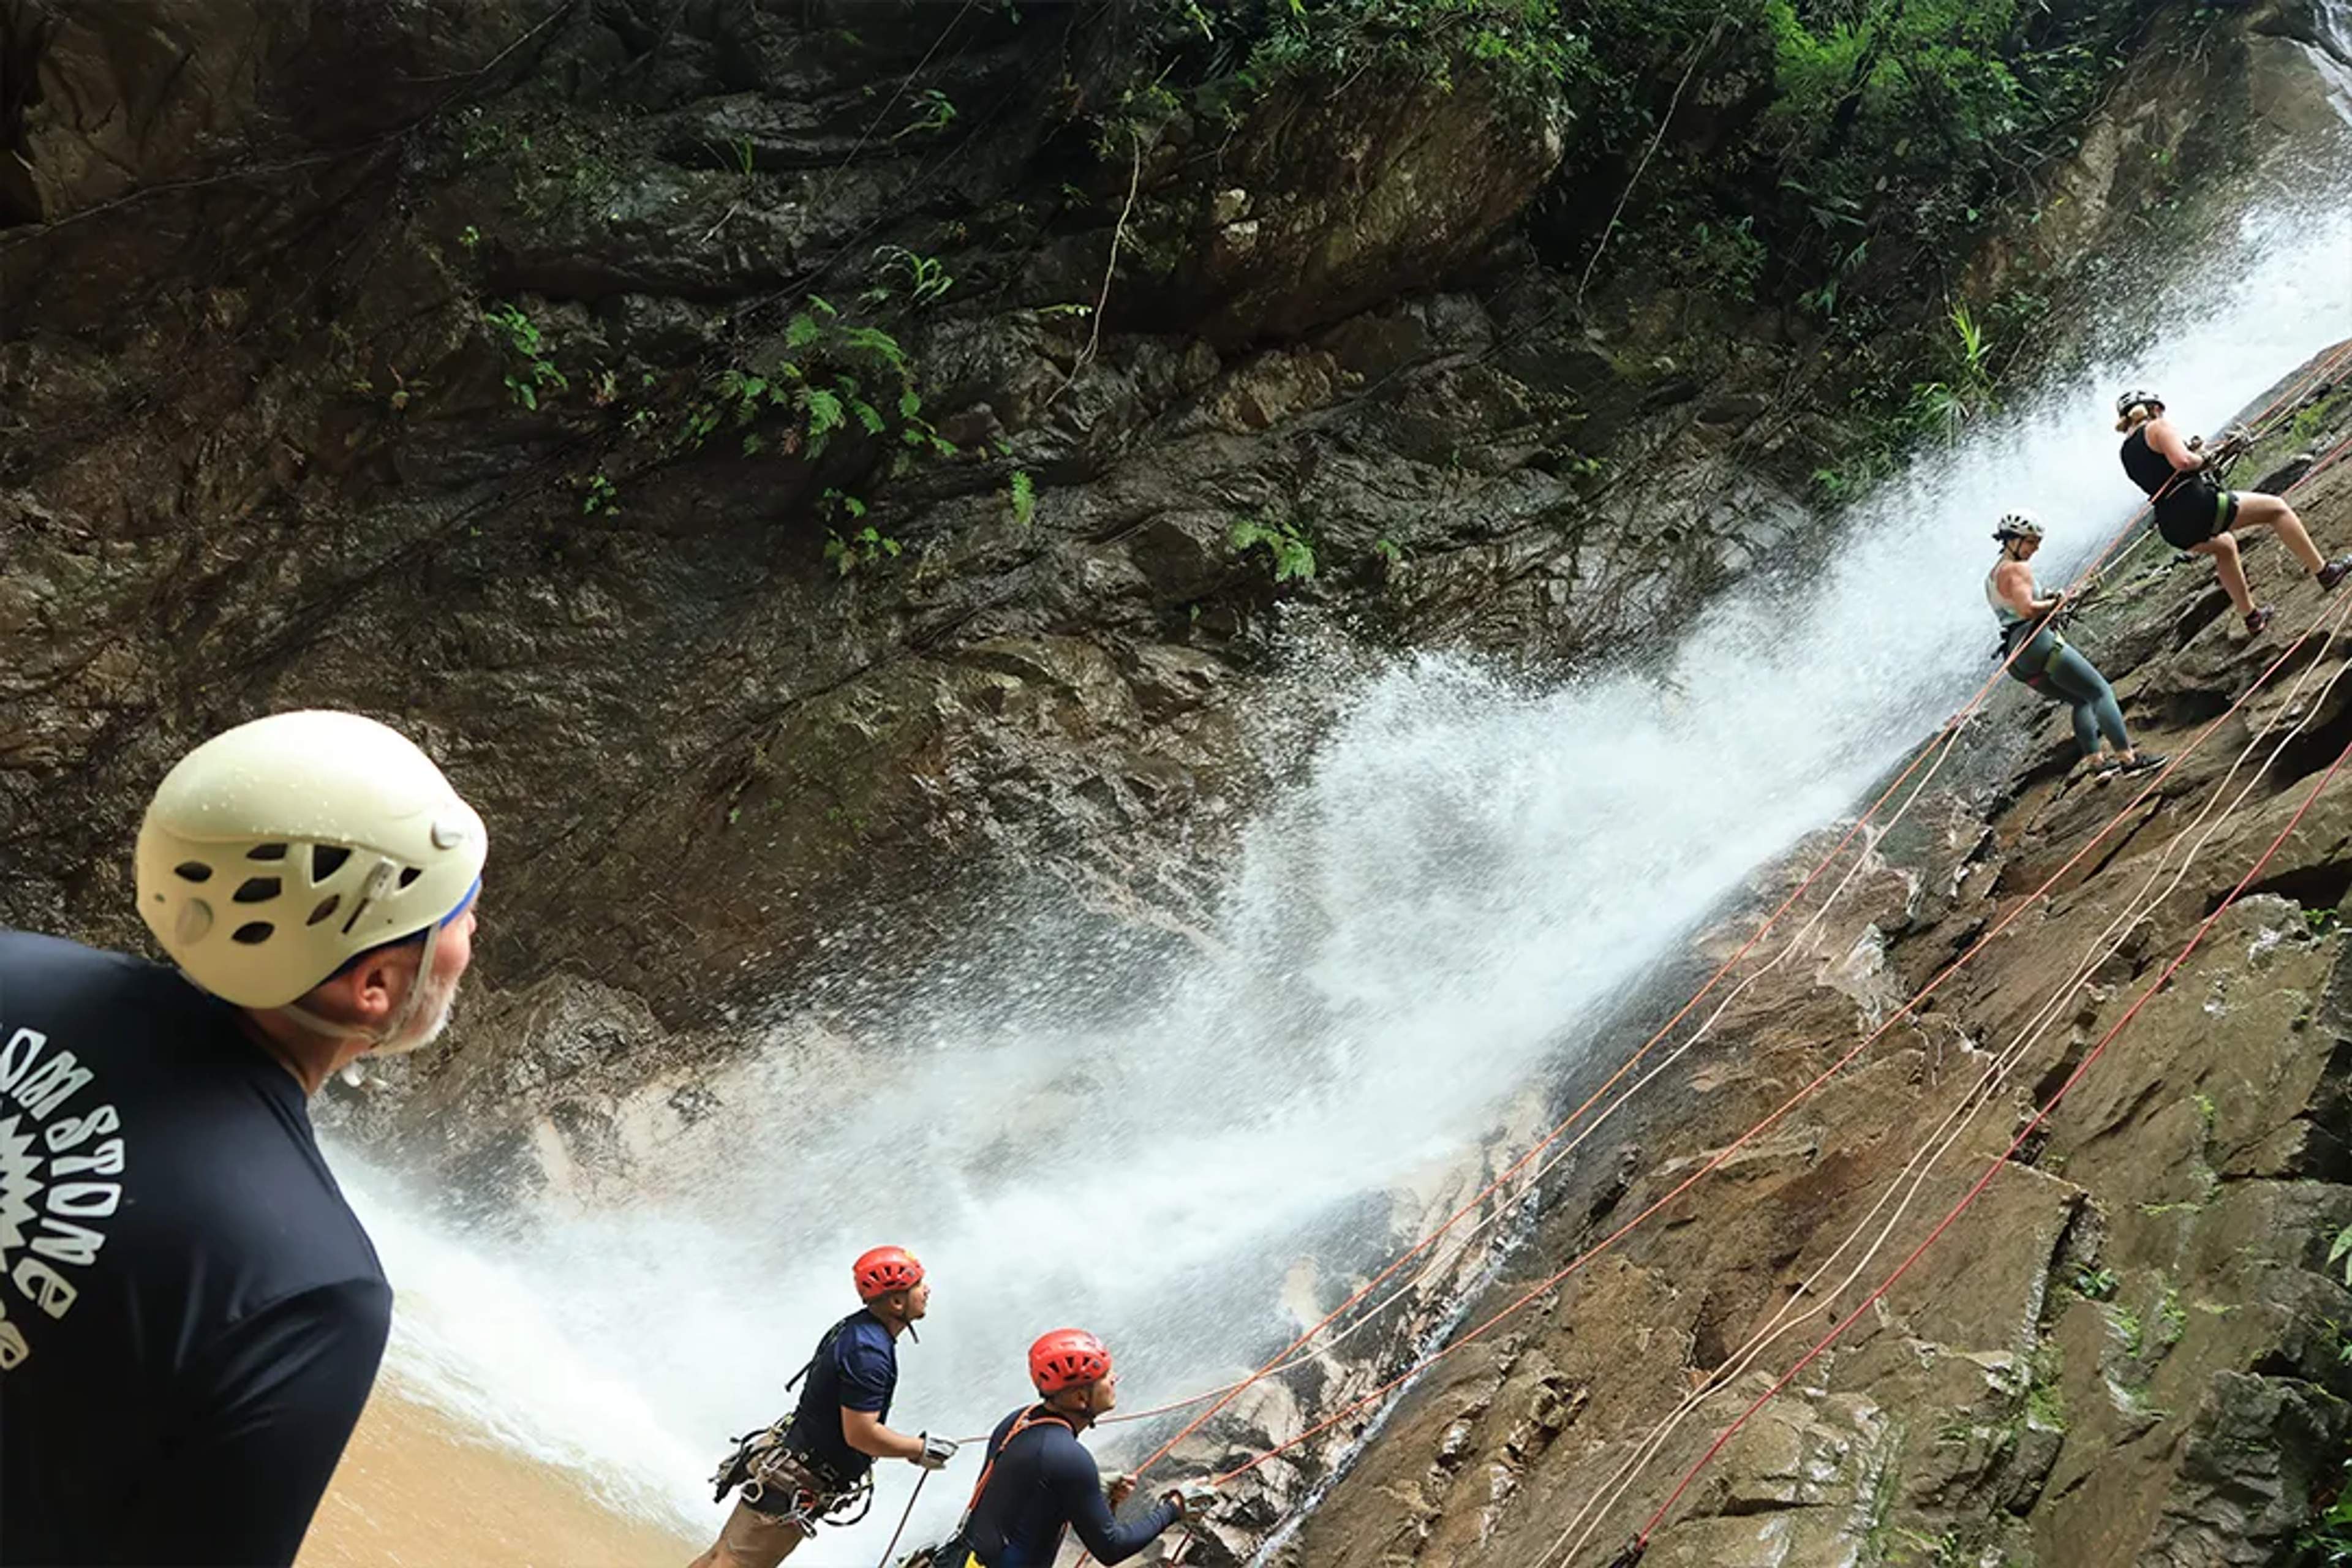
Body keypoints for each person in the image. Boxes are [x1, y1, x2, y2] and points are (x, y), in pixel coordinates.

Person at [0, 709, 488, 1566]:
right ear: (374, 984)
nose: (472, 934)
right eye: (460, 913)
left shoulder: (11, 964)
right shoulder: (310, 1288)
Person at [694, 1246, 956, 1568]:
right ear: (897, 1302)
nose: (927, 1290)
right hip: (799, 1476)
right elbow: (861, 1434)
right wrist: (919, 1448)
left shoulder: (858, 1330)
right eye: (918, 1284)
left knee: (723, 1556)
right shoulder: (869, 1354)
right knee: (734, 1562)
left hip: (789, 1464)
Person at [933, 1329, 1215, 1568]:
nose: (1114, 1380)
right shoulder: (1068, 1457)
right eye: (1105, 1377)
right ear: (1081, 1397)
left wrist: (1088, 1487)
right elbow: (1111, 1549)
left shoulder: (1018, 1420)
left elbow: (1020, 1495)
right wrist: (1174, 1508)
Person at [2115, 388, 2350, 634]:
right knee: (2278, 510)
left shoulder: (2126, 453)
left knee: (2225, 547)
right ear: (2153, 409)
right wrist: (2202, 459)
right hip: (2199, 506)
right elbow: (2183, 462)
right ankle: (2326, 573)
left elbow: (2161, 472)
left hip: (2172, 526)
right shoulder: (2157, 428)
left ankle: (2253, 618)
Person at [1986, 511, 2163, 780]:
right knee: (2101, 691)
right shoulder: (2017, 569)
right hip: (2037, 642)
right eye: (2031, 542)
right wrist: (2056, 603)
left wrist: (2048, 600)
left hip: (2017, 657)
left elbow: (2013, 608)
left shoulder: (1993, 575)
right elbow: (2026, 609)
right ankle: (2128, 759)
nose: (2036, 548)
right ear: (2014, 540)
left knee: (2080, 700)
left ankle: (2096, 764)